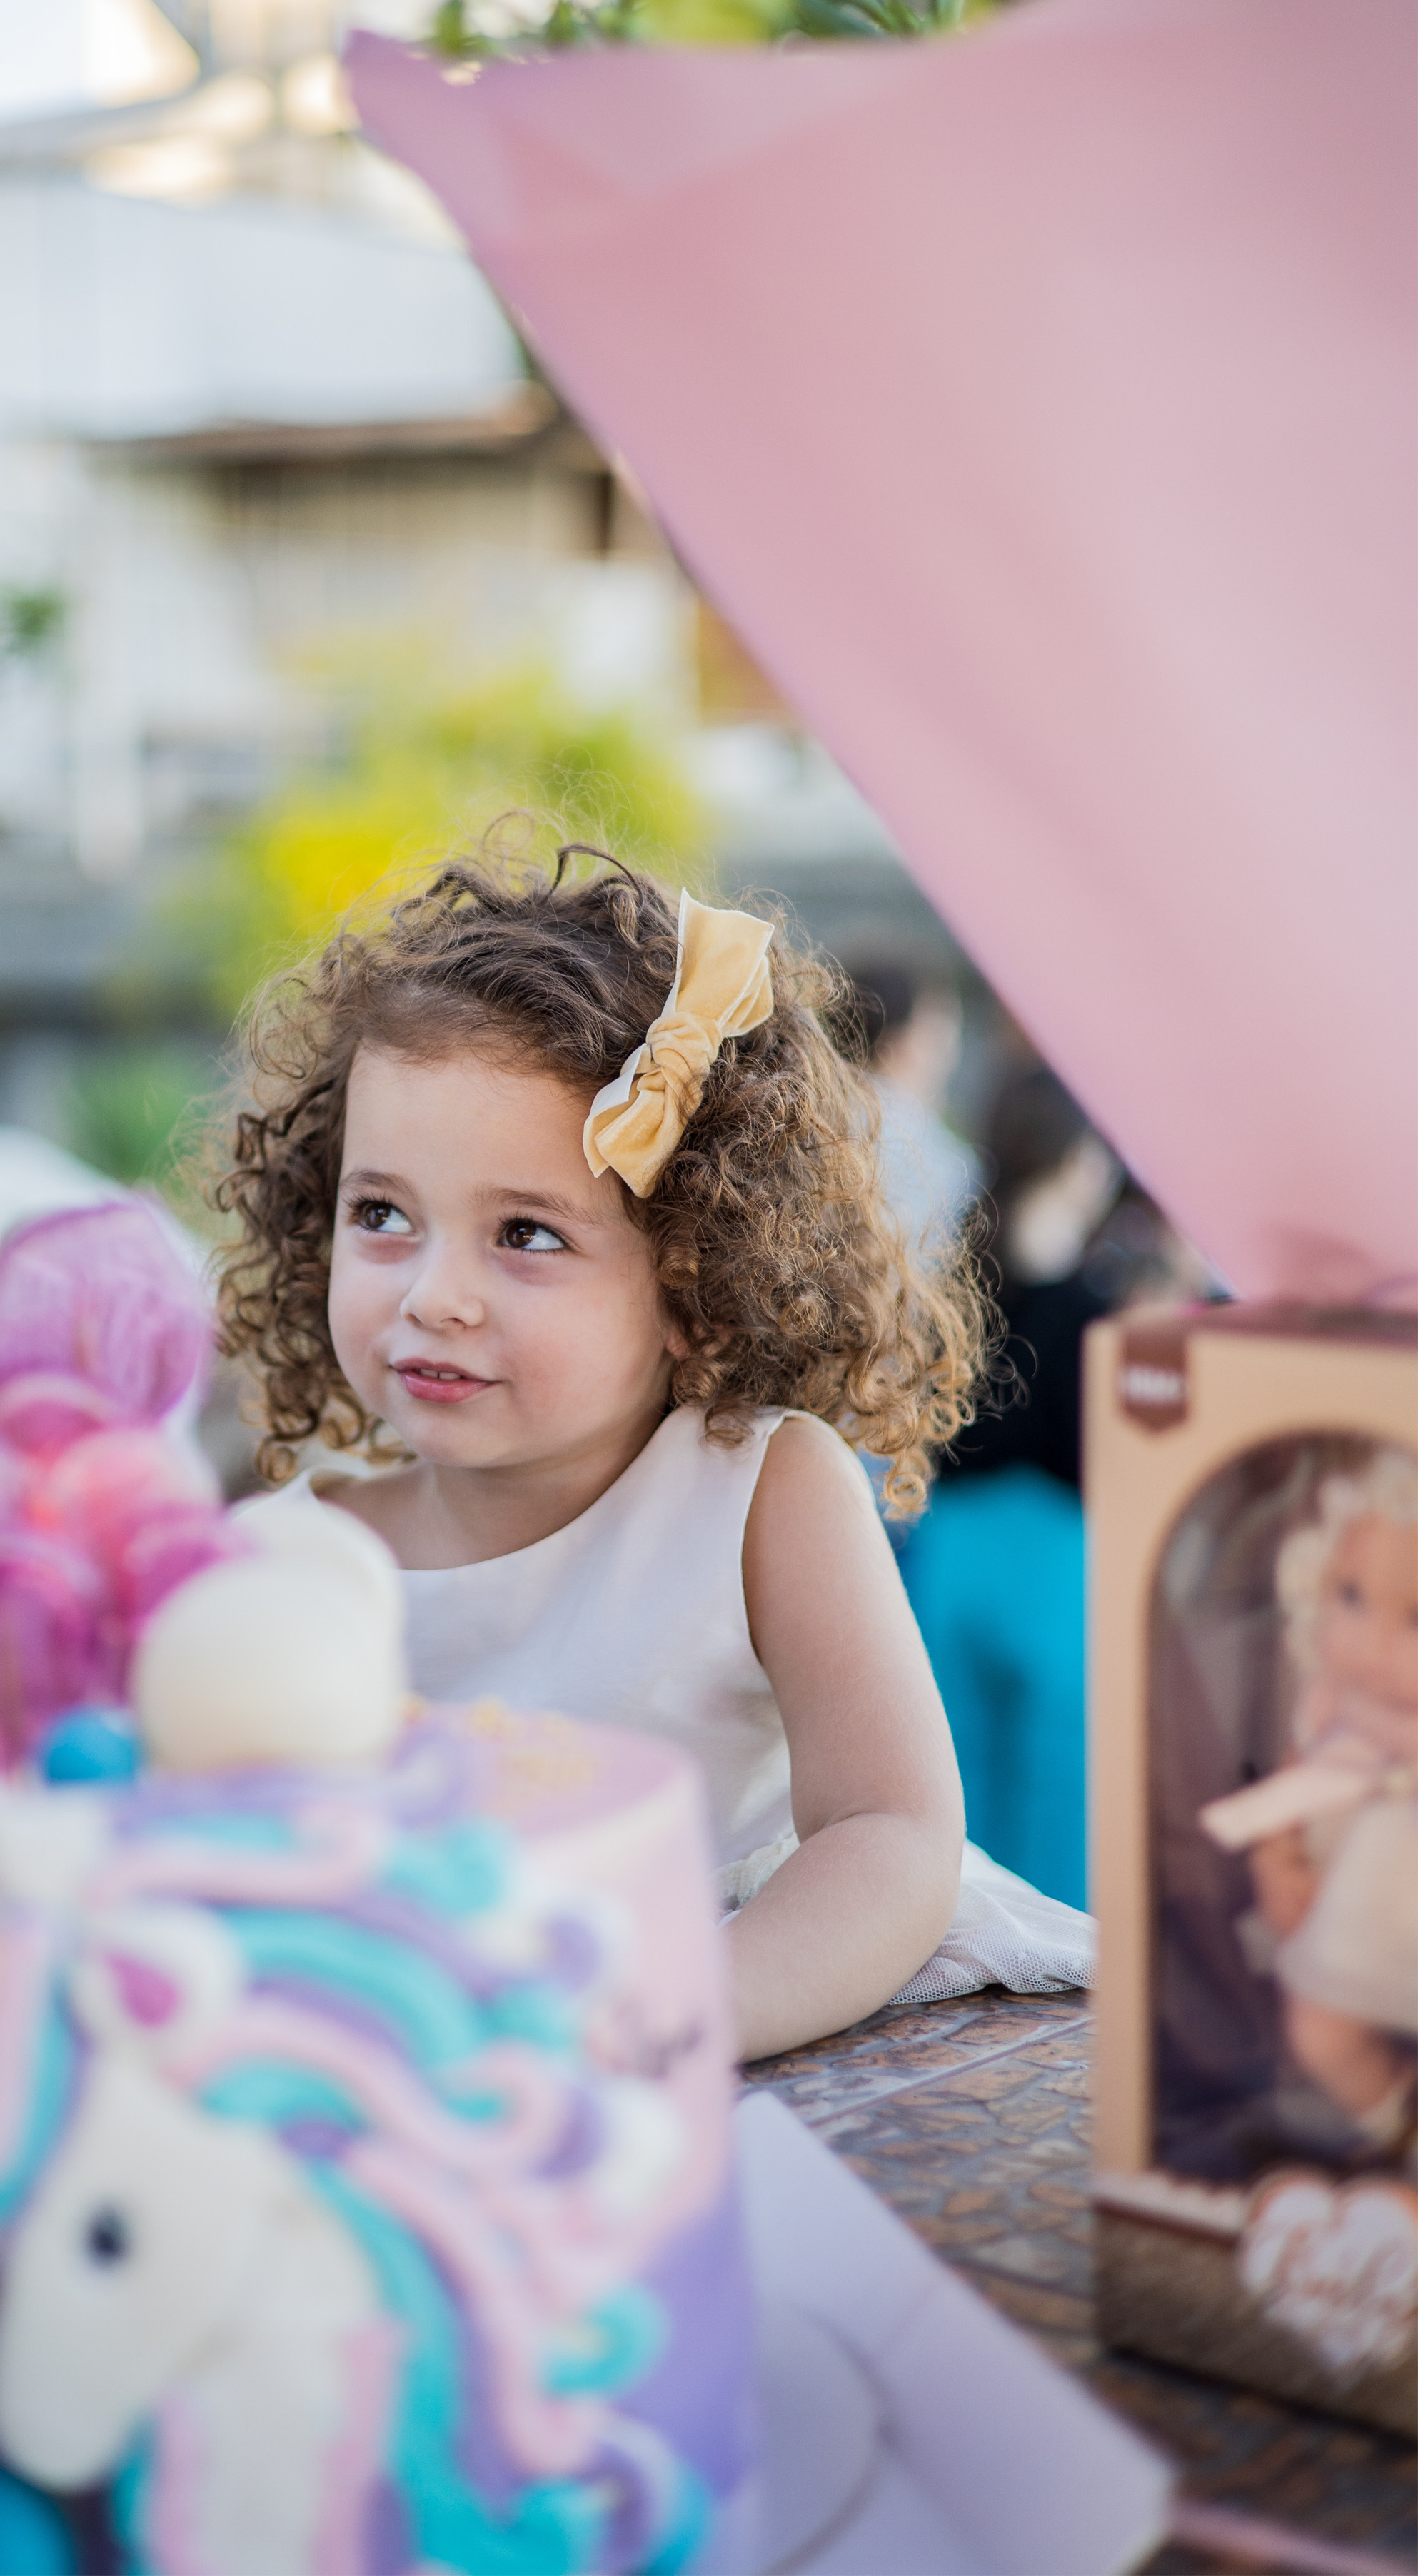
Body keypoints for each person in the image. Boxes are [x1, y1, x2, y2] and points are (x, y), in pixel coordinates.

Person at [211, 842, 1087, 2065]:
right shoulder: (290, 1557)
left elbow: (888, 1832)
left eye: (523, 1232)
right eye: (382, 1215)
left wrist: (661, 2019)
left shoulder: (761, 1493)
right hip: (445, 2074)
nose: (433, 1294)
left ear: (694, 1279)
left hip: (764, 2032)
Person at [897, 1066, 1120, 1908]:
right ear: (1075, 1160)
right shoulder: (1090, 1303)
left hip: (953, 1546)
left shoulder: (955, 1269)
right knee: (1063, 1793)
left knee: (957, 1789)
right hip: (1057, 1555)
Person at [1201, 1445, 1418, 2155]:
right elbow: (1291, 1789)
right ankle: (1390, 2127)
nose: (1374, 1642)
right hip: (1346, 1912)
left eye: (1414, 1619)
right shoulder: (1329, 1709)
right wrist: (1276, 1858)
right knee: (1317, 2031)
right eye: (1351, 1598)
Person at [844, 957, 980, 1254]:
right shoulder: (945, 1161)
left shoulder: (821, 1107)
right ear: (892, 1045)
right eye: (937, 1028)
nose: (950, 1049)